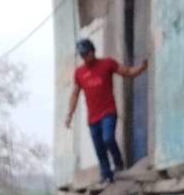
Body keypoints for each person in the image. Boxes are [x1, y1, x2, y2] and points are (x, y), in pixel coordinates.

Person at [64, 37, 149, 184]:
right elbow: (75, 94)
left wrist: (141, 67)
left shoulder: (107, 64)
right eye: (82, 55)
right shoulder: (79, 72)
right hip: (93, 118)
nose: (85, 57)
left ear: (93, 51)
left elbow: (128, 72)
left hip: (108, 112)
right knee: (99, 148)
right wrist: (69, 114)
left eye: (87, 53)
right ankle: (106, 174)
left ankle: (118, 164)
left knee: (108, 138)